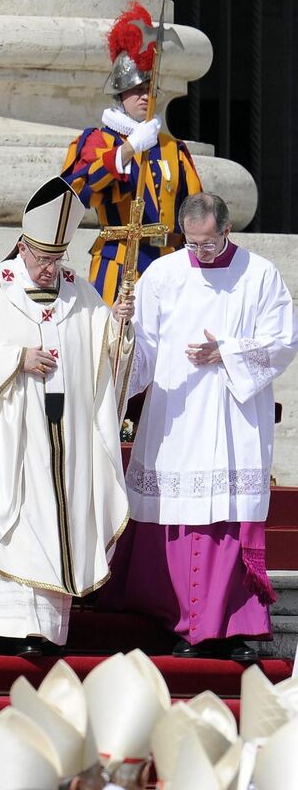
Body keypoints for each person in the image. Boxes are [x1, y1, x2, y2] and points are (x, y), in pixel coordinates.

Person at [0, 176, 133, 656]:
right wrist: (17, 359)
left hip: (62, 431)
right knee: (12, 516)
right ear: (22, 245)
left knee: (51, 513)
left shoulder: (77, 291)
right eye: (42, 259)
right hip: (9, 435)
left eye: (57, 259)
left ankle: (39, 627)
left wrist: (119, 324)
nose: (48, 269)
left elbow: (105, 351)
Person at [98, 192, 298, 660]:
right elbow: (142, 355)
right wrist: (122, 335)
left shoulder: (260, 275)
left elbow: (283, 341)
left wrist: (225, 352)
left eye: (208, 244)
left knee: (225, 517)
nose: (199, 252)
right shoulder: (163, 274)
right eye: (191, 243)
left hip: (233, 415)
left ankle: (233, 626)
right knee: (178, 514)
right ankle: (182, 623)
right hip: (176, 414)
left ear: (227, 231)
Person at [61, 2, 202, 306]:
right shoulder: (96, 140)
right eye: (134, 89)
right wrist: (127, 150)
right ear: (119, 94)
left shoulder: (173, 149)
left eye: (147, 88)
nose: (142, 96)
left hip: (169, 266)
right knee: (112, 347)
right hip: (117, 264)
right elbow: (79, 189)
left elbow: (195, 207)